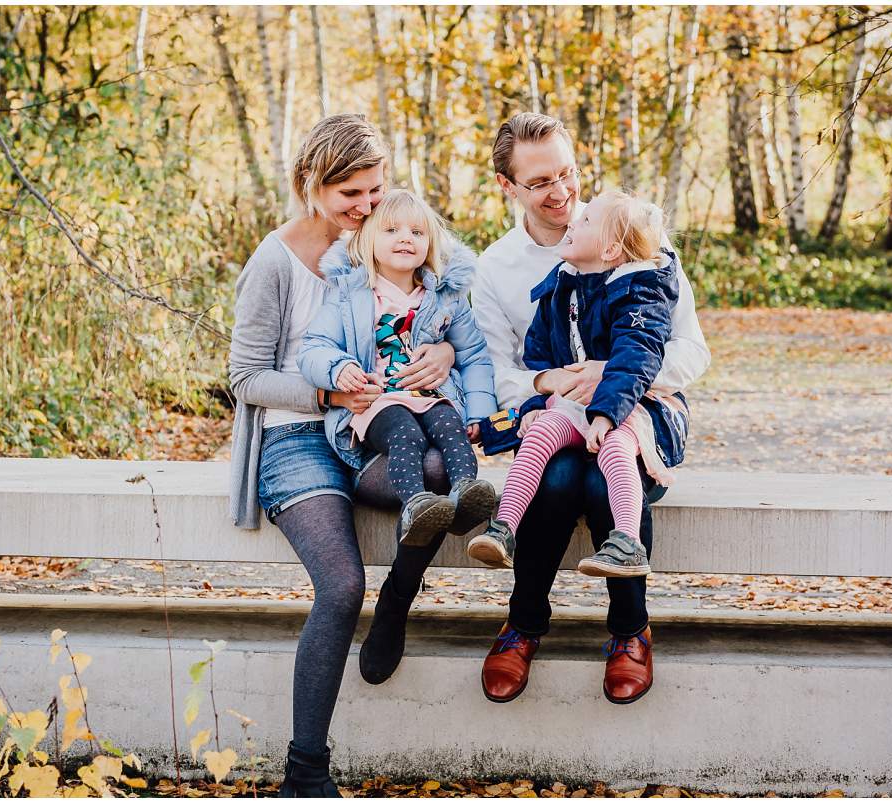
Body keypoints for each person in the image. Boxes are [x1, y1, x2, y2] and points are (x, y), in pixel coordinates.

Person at [228, 114, 458, 797]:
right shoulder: (273, 262)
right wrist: (327, 391)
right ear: (310, 185)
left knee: (447, 478)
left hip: (377, 429)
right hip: (296, 439)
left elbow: (447, 306)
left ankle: (399, 601)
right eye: (348, 195)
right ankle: (305, 772)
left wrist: (442, 351)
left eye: (374, 190)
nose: (364, 208)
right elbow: (244, 378)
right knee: (339, 585)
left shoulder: (388, 238)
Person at [470, 112, 711, 705]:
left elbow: (692, 352)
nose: (561, 193)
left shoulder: (635, 238)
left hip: (641, 414)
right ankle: (524, 623)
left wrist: (616, 373)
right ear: (508, 187)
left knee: (602, 483)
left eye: (567, 173)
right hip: (555, 419)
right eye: (540, 182)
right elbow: (501, 375)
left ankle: (630, 631)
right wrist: (555, 378)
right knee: (556, 477)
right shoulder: (496, 270)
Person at [467, 191, 686, 579]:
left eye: (586, 222)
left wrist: (605, 415)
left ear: (610, 248)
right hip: (573, 402)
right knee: (540, 433)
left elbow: (637, 360)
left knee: (616, 448)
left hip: (628, 404)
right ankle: (504, 529)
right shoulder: (559, 288)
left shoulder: (639, 292)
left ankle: (627, 543)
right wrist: (536, 408)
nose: (573, 221)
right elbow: (539, 358)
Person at [299, 188, 498, 550]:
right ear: (367, 241)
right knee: (405, 432)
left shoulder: (444, 297)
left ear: (430, 244)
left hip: (430, 394)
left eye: (417, 233)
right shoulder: (350, 294)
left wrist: (481, 413)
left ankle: (468, 493)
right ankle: (416, 505)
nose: (405, 238)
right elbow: (313, 347)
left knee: (449, 424)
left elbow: (474, 355)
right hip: (379, 400)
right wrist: (339, 368)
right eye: (391, 231)